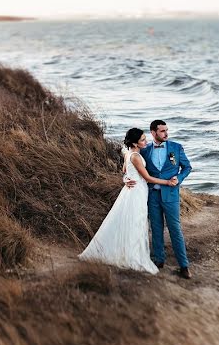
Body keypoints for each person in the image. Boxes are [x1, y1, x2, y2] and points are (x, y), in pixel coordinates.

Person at [78, 128, 173, 272]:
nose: (146, 141)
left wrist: (126, 179)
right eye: (142, 140)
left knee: (131, 221)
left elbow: (124, 171)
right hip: (137, 191)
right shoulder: (135, 156)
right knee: (136, 222)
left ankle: (127, 250)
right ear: (135, 143)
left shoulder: (129, 153)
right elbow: (147, 178)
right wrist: (167, 182)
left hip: (132, 190)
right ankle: (132, 255)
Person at [139, 119, 193, 278]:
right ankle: (159, 260)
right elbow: (136, 168)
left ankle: (184, 266)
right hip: (152, 196)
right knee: (156, 228)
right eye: (162, 131)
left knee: (175, 229)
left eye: (166, 130)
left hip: (171, 195)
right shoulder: (145, 150)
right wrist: (127, 179)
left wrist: (179, 178)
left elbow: (187, 167)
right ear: (153, 133)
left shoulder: (176, 147)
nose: (166, 133)